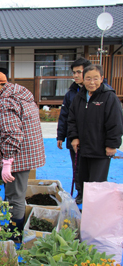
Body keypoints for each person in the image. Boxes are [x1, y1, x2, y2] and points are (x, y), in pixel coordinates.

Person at [0, 71, 45, 241]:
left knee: (15, 196)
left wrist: (7, 161)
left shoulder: (4, 103)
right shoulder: (19, 94)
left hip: (18, 155)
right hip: (27, 151)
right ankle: (13, 226)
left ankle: (14, 233)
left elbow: (12, 134)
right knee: (15, 193)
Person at [68, 64, 123, 186]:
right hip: (82, 148)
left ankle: (95, 204)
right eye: (88, 78)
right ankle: (82, 197)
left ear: (102, 78)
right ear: (84, 79)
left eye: (95, 78)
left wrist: (112, 145)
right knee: (82, 178)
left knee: (97, 183)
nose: (92, 82)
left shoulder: (109, 97)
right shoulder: (79, 97)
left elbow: (116, 123)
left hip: (100, 149)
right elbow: (72, 120)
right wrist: (74, 137)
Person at [56, 58, 91, 204]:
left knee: (92, 169)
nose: (75, 75)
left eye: (79, 72)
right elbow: (65, 115)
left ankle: (92, 194)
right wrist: (61, 136)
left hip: (92, 139)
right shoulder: (71, 93)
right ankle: (80, 193)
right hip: (74, 137)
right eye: (74, 72)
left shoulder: (100, 92)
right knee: (77, 167)